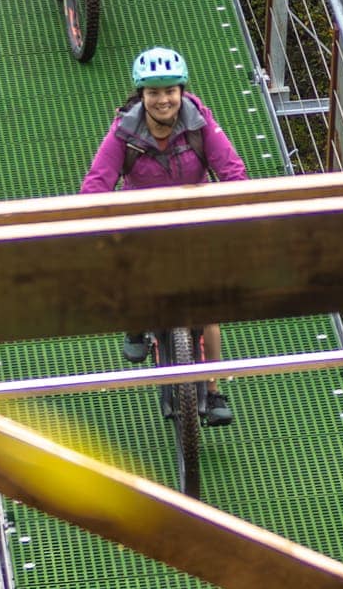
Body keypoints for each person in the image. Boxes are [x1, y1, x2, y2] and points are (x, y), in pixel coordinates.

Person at [80, 46, 247, 424]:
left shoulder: (201, 125)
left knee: (208, 311)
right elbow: (98, 182)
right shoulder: (124, 132)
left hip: (193, 217)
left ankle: (216, 390)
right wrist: (90, 220)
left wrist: (239, 210)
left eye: (170, 90)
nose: (163, 100)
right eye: (153, 92)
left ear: (182, 91)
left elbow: (232, 170)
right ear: (141, 95)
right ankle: (135, 320)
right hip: (143, 218)